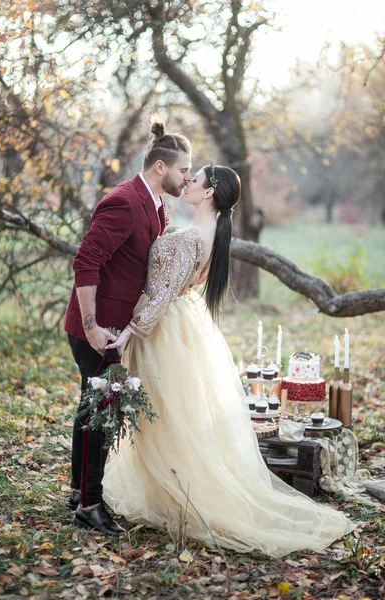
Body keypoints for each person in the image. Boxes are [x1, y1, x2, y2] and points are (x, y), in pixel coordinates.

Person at [103, 163, 355, 557]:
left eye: (195, 178)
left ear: (208, 193)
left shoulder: (191, 239)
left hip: (163, 328)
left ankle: (181, 495)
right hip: (183, 324)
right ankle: (171, 489)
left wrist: (126, 335)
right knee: (176, 415)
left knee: (169, 416)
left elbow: (163, 294)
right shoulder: (212, 233)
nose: (187, 180)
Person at [63, 120, 192, 535]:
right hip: (97, 329)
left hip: (118, 329)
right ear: (160, 167)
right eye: (183, 169)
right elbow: (86, 262)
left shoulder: (156, 206)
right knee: (101, 414)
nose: (187, 176)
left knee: (94, 409)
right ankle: (90, 505)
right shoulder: (123, 201)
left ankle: (79, 491)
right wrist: (92, 326)